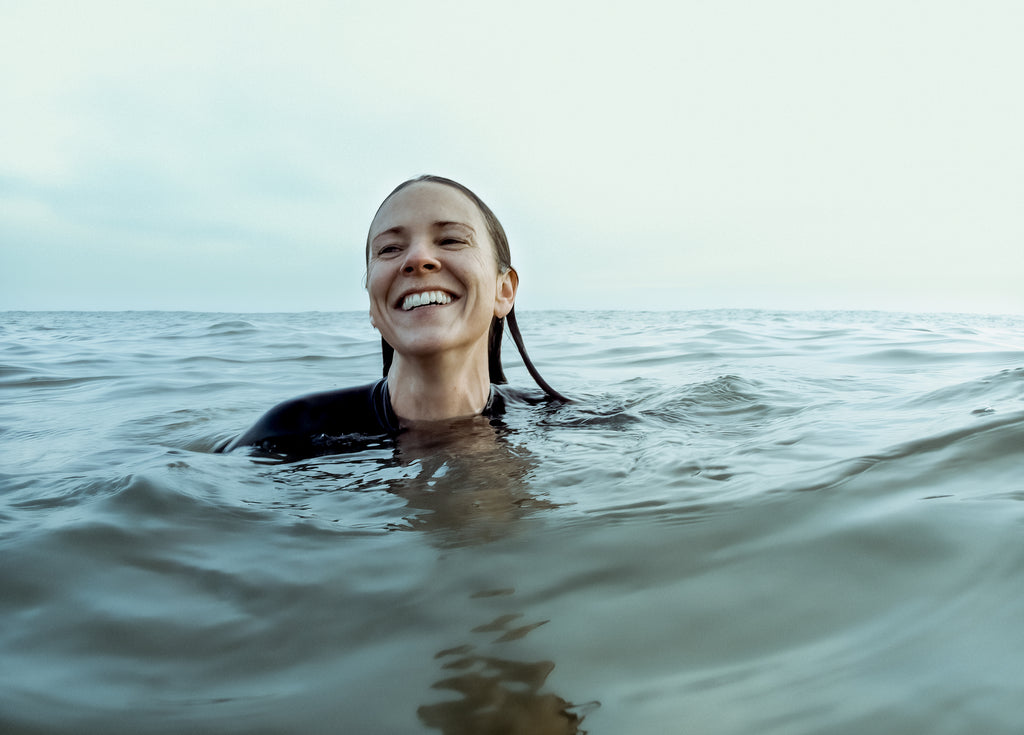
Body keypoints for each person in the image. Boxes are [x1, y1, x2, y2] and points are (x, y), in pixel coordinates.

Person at [222, 175, 566, 457]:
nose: (417, 258)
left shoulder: (566, 422)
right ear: (373, 304)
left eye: (449, 240)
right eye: (389, 249)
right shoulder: (287, 433)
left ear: (503, 290)